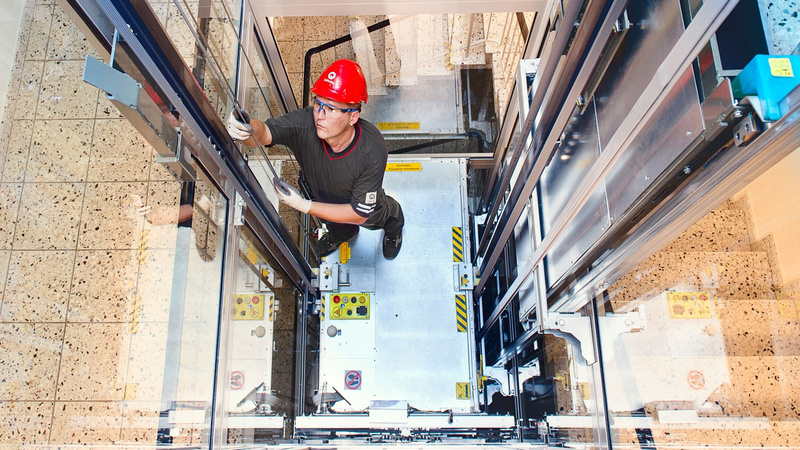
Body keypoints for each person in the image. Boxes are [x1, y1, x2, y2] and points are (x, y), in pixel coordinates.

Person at [226, 59, 404, 260]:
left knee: (380, 216)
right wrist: (246, 128)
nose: (320, 115)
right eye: (318, 104)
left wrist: (303, 205)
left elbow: (359, 213)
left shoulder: (372, 149)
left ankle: (395, 227)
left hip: (361, 205)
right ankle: (341, 236)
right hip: (323, 199)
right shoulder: (304, 124)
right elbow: (265, 132)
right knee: (336, 226)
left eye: (331, 109)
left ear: (353, 117)